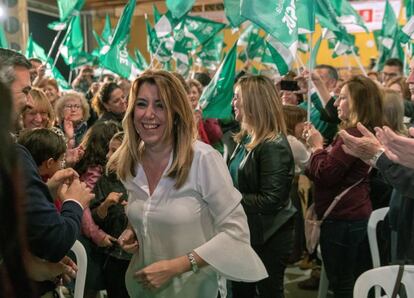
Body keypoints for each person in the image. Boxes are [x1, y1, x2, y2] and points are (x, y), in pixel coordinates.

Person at [107, 70, 267, 298]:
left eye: (160, 105)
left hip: (195, 290)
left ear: (176, 112)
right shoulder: (131, 161)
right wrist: (134, 230)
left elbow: (235, 232)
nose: (149, 114)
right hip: (142, 290)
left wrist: (177, 266)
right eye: (141, 104)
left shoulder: (203, 160)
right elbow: (149, 209)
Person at [0, 48, 93, 296]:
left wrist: (45, 193)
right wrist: (74, 202)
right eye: (26, 91)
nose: (30, 102)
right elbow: (54, 240)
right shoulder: (11, 154)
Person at [303, 75, 385, 298]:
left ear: (359, 102)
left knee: (342, 283)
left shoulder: (353, 135)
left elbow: (325, 174)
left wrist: (317, 147)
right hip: (353, 213)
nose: (337, 103)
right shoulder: (361, 131)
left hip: (344, 218)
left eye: (342, 98)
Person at [229, 75, 296, 298]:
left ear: (253, 102)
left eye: (237, 97)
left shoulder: (273, 144)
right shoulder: (245, 138)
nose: (233, 102)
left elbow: (271, 200)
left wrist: (228, 198)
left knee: (267, 292)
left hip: (269, 235)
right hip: (247, 230)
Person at [90, 132, 131, 298]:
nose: (108, 156)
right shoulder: (105, 181)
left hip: (140, 255)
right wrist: (105, 204)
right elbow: (95, 218)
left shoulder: (144, 179)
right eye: (109, 150)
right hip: (115, 254)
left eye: (113, 151)